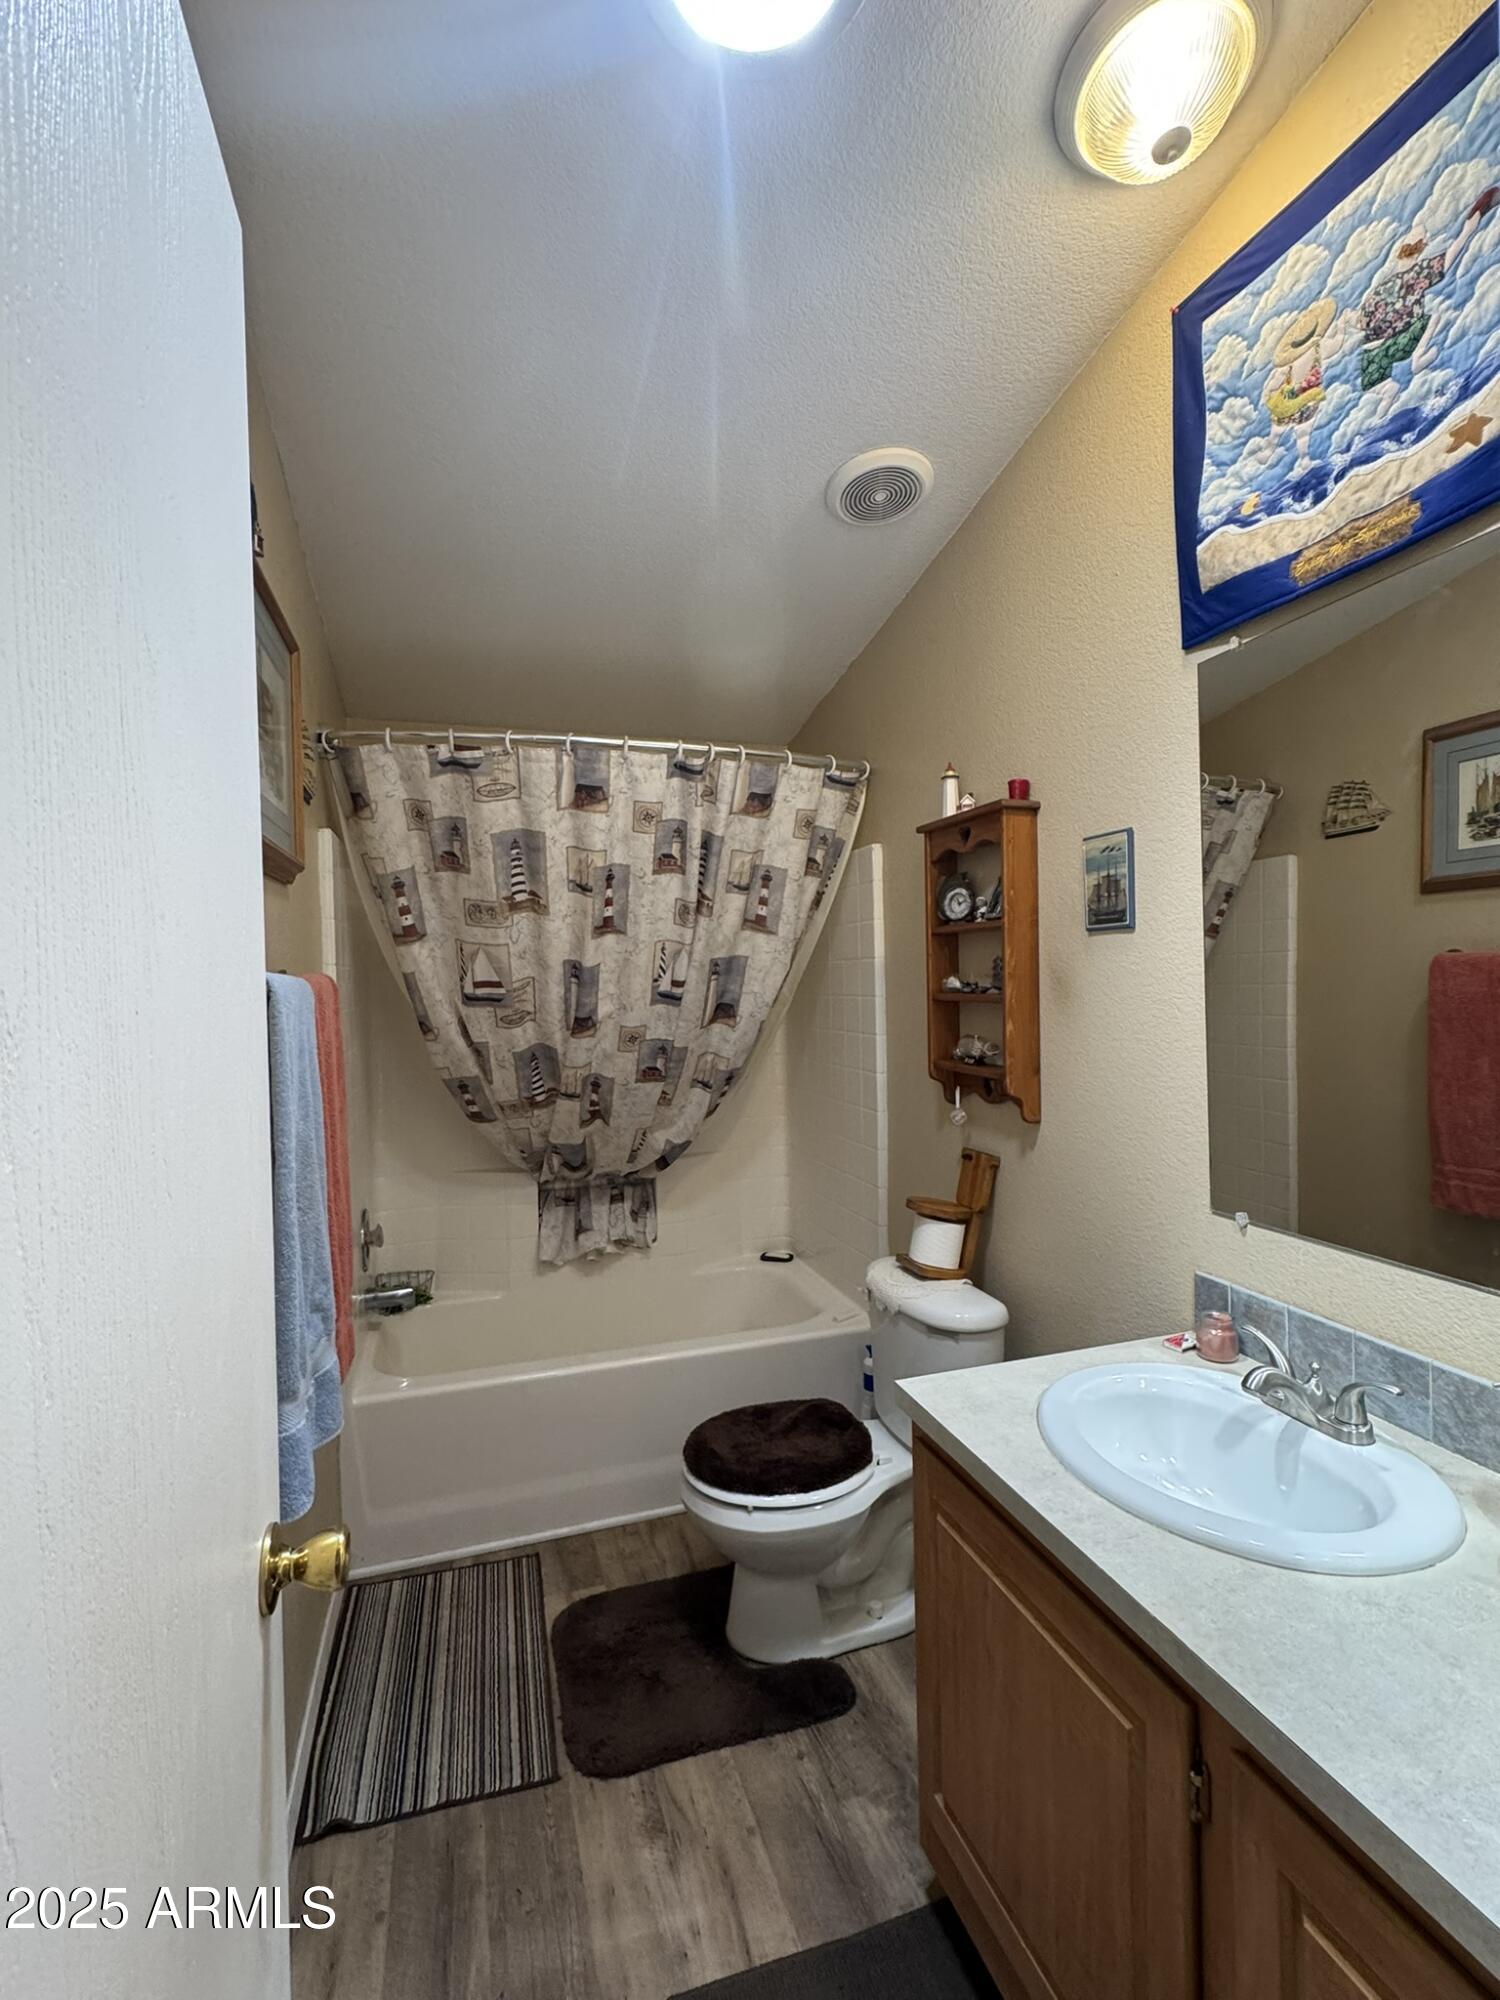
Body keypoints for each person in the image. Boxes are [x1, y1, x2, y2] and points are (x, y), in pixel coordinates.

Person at [1356, 185, 1500, 390]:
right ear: (1420, 247)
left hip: (1371, 351)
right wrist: (1467, 231)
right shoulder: (1419, 272)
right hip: (1400, 341)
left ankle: (1386, 403)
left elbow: (1361, 322)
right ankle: (1418, 356)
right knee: (1433, 319)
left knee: (1385, 392)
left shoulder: (1379, 289)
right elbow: (1452, 253)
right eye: (1425, 241)